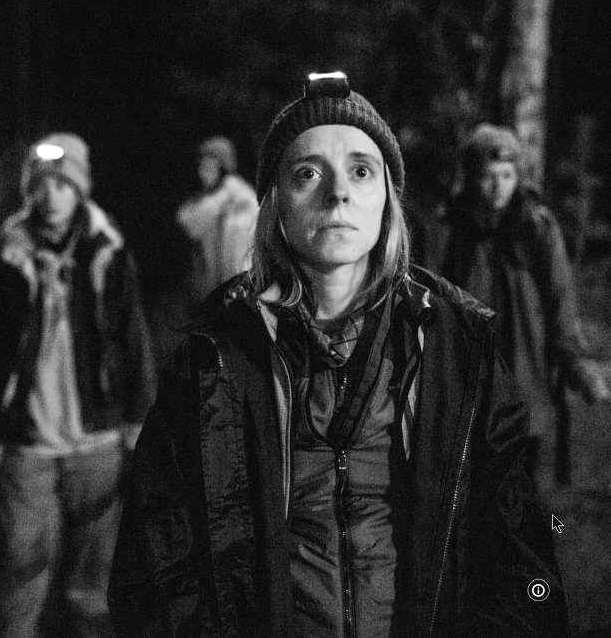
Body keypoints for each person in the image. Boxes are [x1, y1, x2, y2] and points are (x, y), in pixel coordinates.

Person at [110, 73, 566, 635]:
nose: (338, 193)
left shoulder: (457, 350)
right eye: (308, 173)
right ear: (275, 204)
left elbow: (524, 550)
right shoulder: (213, 360)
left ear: (387, 201)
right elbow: (154, 563)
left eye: (361, 171)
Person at [0, 132, 157, 636]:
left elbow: (133, 336)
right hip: (28, 437)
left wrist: (138, 417)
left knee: (94, 571)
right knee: (21, 560)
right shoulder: (7, 256)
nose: (51, 195)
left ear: (80, 190)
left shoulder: (108, 251)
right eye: (42, 184)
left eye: (63, 184)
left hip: (97, 437)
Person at [432, 124, 609, 484]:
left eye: (507, 175)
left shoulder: (536, 227)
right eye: (488, 176)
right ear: (472, 178)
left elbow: (559, 299)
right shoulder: (452, 227)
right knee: (473, 482)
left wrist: (574, 361)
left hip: (525, 369)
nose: (498, 186)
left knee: (527, 482)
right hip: (469, 373)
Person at [176, 136, 258, 303]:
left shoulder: (237, 194)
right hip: (220, 286)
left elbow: (192, 225)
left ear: (221, 167)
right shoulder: (217, 196)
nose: (202, 172)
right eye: (201, 166)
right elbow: (186, 220)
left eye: (208, 166)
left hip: (237, 286)